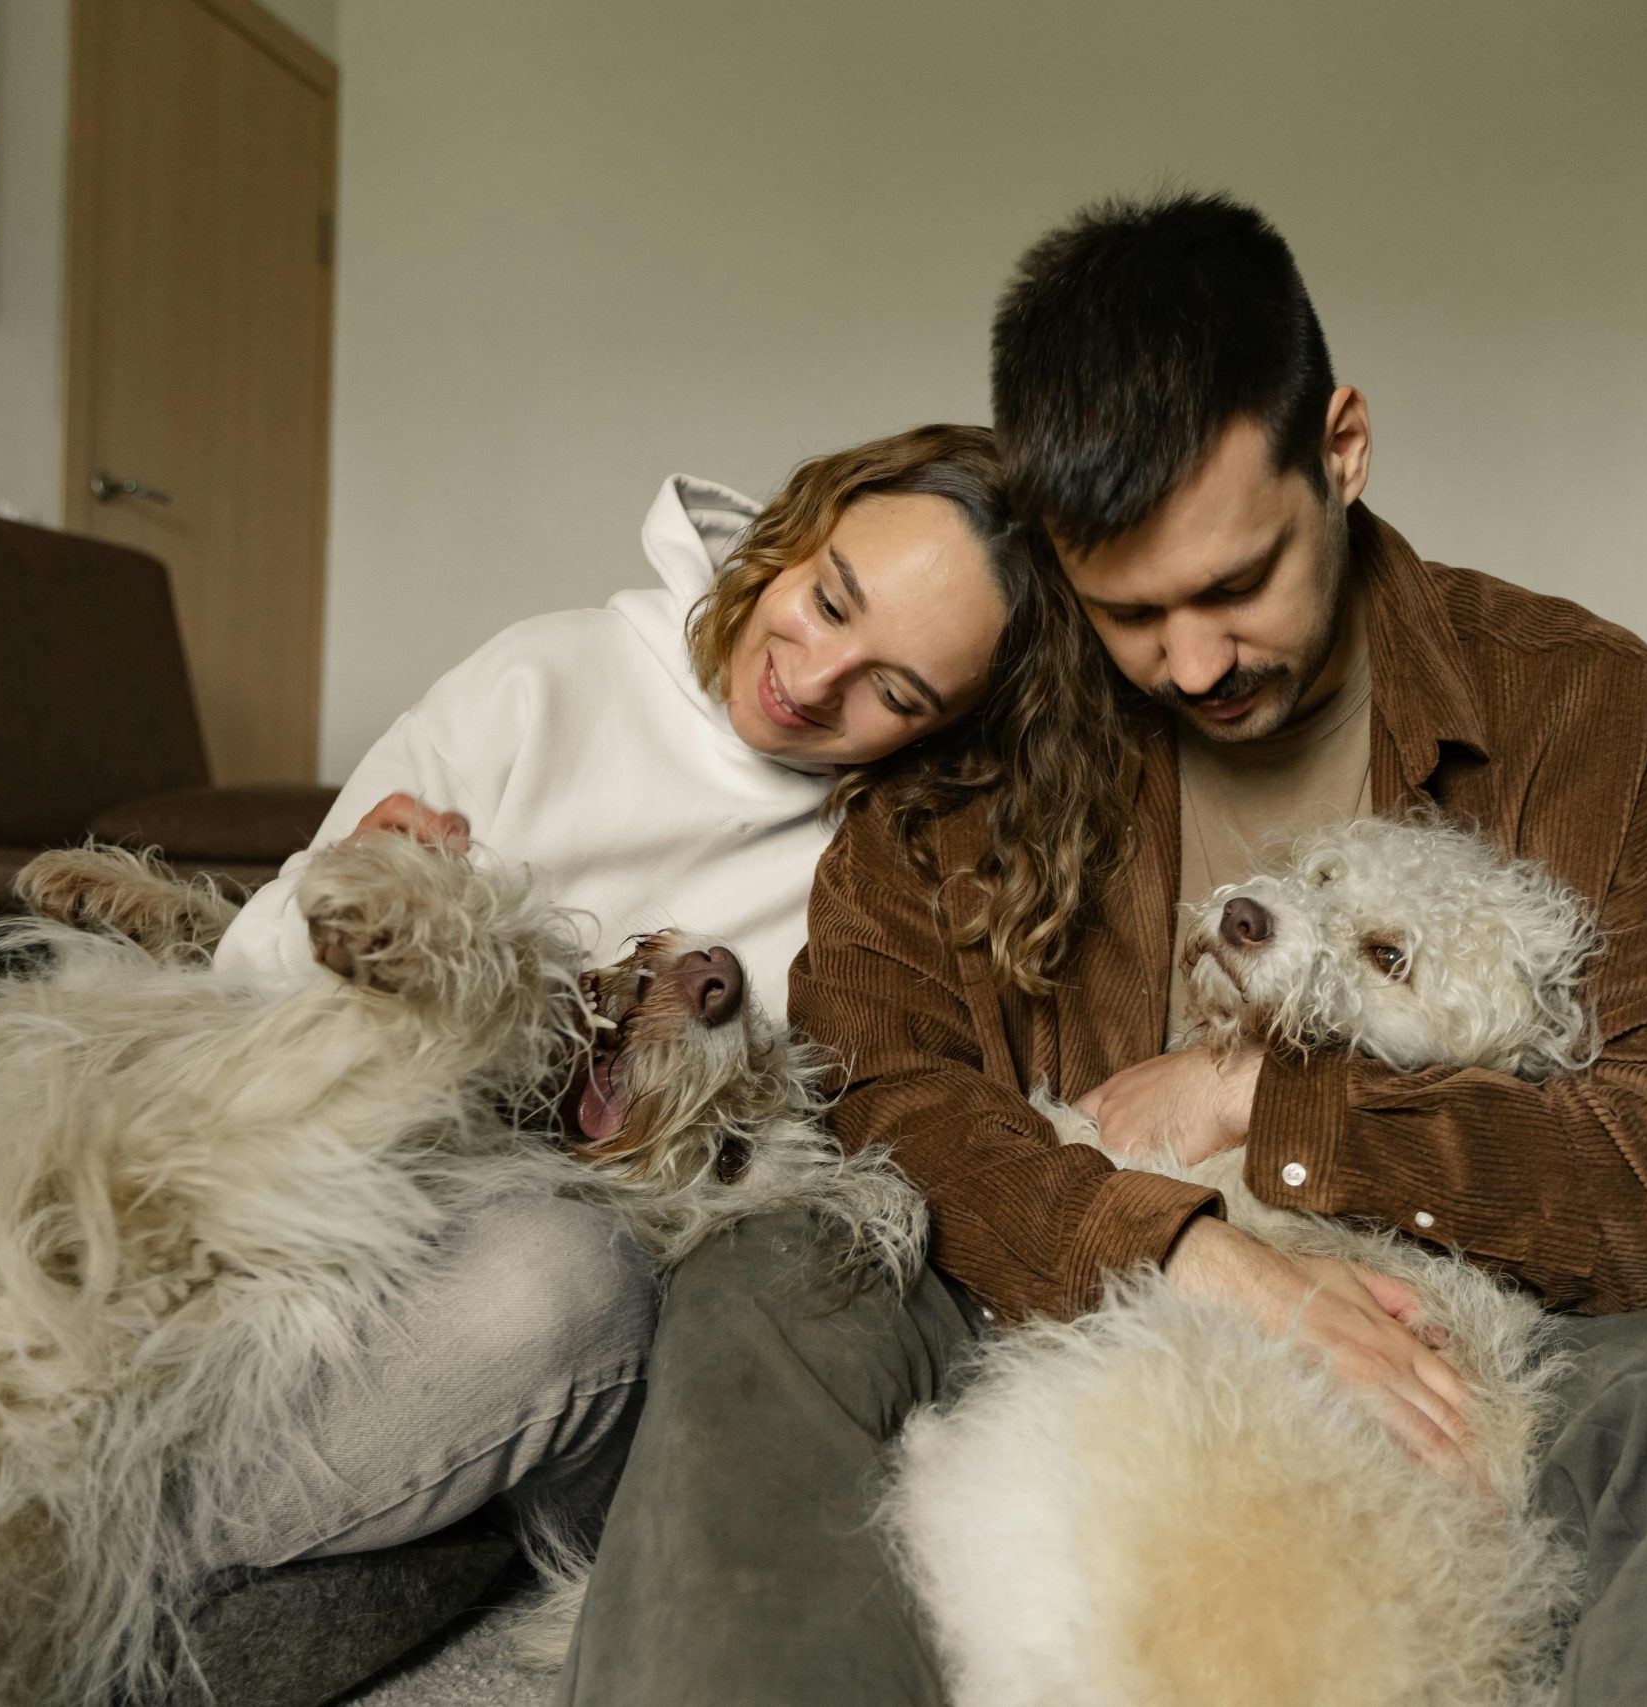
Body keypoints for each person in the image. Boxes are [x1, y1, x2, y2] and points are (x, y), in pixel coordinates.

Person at [563, 195, 1647, 1705]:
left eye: (1237, 584)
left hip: (1465, 1347)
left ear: (1345, 452)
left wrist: (1274, 1108)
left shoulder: (1591, 711)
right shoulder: (975, 727)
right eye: (1126, 610)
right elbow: (885, 1090)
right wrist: (1189, 1247)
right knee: (770, 1282)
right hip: (1043, 1308)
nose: (1191, 663)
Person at [197, 425, 1124, 1580]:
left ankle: (109, 1565)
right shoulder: (539, 681)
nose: (812, 679)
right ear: (793, 541)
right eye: (830, 603)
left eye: (893, 689)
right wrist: (345, 918)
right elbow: (241, 994)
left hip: (532, 1282)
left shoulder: (888, 876)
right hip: (315, 1189)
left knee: (567, 1288)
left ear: (951, 729)